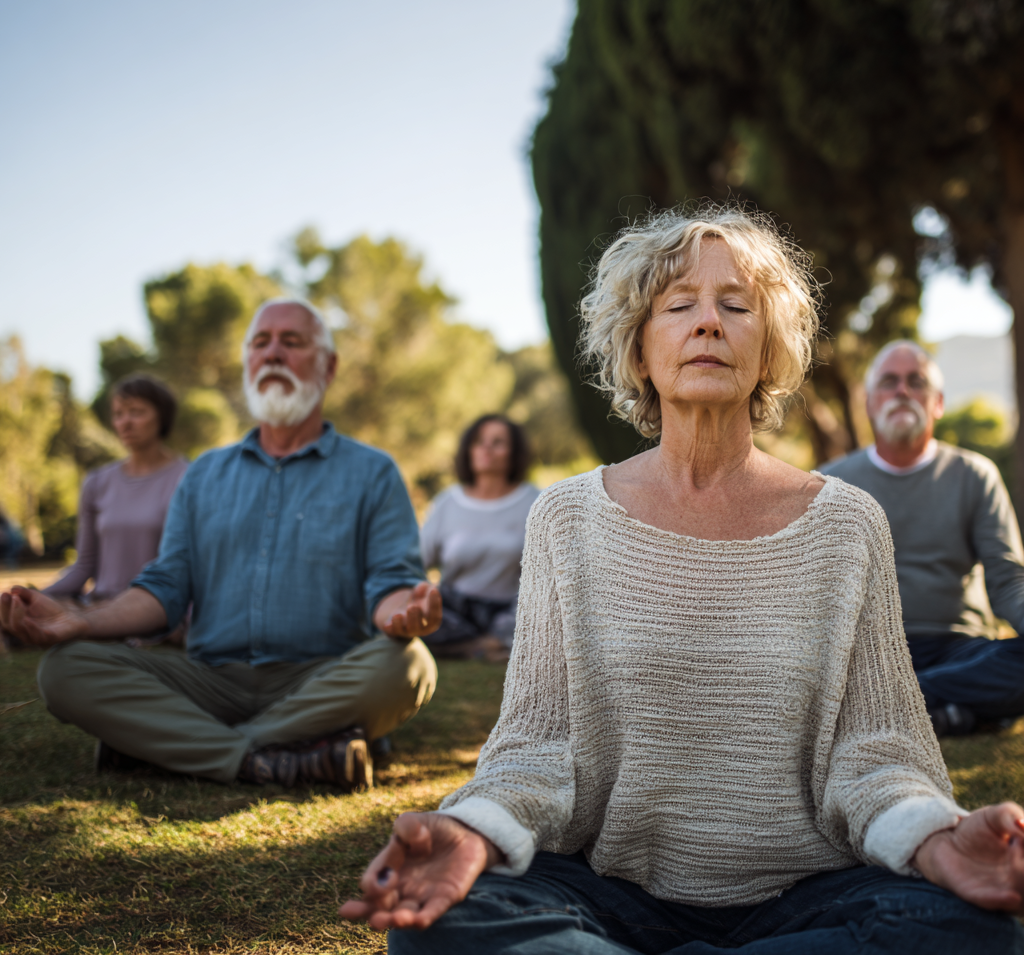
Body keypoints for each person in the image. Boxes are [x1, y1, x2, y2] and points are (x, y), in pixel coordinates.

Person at [341, 208, 1024, 953]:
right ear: (638, 349)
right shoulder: (565, 518)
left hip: (810, 896)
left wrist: (937, 840)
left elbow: (877, 751)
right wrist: (473, 831)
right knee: (444, 925)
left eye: (736, 306)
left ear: (770, 350)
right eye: (678, 306)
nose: (708, 324)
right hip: (611, 893)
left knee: (968, 931)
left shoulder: (846, 523)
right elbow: (537, 746)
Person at [0, 298, 441, 790]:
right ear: (248, 362)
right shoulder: (205, 472)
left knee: (409, 662)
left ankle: (171, 747)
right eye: (260, 343)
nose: (272, 354)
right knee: (64, 669)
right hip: (208, 681)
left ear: (329, 365)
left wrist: (403, 613)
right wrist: (82, 618)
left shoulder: (373, 472)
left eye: (291, 342)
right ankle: (277, 754)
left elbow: (393, 584)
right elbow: (166, 588)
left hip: (321, 679)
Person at [822, 340, 1024, 738]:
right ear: (868, 402)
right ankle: (947, 712)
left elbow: (1009, 582)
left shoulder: (974, 476)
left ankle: (892, 705)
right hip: (868, 655)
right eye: (889, 382)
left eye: (916, 382)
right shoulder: (829, 484)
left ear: (938, 403)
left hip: (960, 649)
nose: (902, 391)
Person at [45, 374, 187, 607]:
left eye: (136, 412)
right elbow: (83, 568)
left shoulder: (188, 479)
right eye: (118, 414)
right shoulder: (96, 482)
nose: (125, 422)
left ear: (162, 416)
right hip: (102, 615)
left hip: (160, 618)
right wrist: (31, 598)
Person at [420, 415, 539, 661]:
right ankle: (484, 648)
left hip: (509, 609)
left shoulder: (535, 502)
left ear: (514, 453)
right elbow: (414, 562)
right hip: (455, 610)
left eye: (497, 442)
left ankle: (480, 646)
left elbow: (546, 576)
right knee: (416, 613)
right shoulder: (447, 502)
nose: (486, 448)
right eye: (479, 441)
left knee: (540, 617)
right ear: (469, 449)